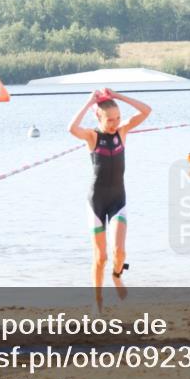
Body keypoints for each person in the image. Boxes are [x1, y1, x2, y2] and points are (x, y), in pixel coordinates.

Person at [68, 88, 152, 313]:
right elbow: (71, 128)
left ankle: (117, 276)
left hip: (117, 201)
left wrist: (120, 96)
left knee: (119, 252)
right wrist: (89, 102)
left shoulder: (122, 132)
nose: (115, 123)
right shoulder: (93, 137)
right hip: (96, 203)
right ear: (99, 117)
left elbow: (146, 111)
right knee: (100, 257)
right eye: (110, 119)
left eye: (117, 118)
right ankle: (97, 301)